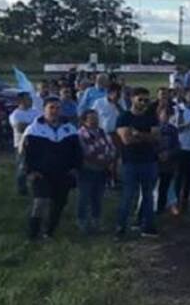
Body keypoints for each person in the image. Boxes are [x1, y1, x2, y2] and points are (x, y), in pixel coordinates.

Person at [23, 97, 82, 240]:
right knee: (40, 202)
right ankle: (33, 234)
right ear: (44, 109)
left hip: (63, 173)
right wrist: (30, 171)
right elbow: (26, 153)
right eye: (51, 108)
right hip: (41, 173)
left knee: (59, 204)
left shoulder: (70, 128)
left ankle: (49, 232)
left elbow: (77, 151)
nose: (55, 111)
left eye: (57, 108)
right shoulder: (34, 129)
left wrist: (75, 168)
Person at [116, 88, 161, 238]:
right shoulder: (124, 117)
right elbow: (126, 140)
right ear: (132, 99)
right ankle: (121, 226)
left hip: (149, 161)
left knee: (148, 196)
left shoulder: (152, 117)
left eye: (146, 100)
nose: (143, 103)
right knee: (128, 196)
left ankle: (148, 226)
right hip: (130, 162)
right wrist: (145, 136)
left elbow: (156, 138)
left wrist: (137, 134)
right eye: (140, 99)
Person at [76, 109, 117, 234]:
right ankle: (82, 222)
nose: (95, 120)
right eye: (92, 118)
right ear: (84, 121)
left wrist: (109, 160)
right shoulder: (80, 134)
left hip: (102, 170)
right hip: (87, 170)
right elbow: (87, 152)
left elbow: (112, 148)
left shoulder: (102, 132)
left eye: (96, 117)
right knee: (84, 197)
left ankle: (96, 222)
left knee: (97, 198)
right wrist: (101, 160)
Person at [9, 92, 41, 196]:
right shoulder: (15, 114)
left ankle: (36, 188)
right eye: (28, 99)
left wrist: (29, 125)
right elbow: (20, 128)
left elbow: (42, 125)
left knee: (36, 167)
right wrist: (33, 125)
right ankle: (22, 190)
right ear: (20, 101)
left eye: (30, 99)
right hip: (21, 145)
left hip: (36, 144)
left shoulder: (36, 112)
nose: (31, 101)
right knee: (22, 167)